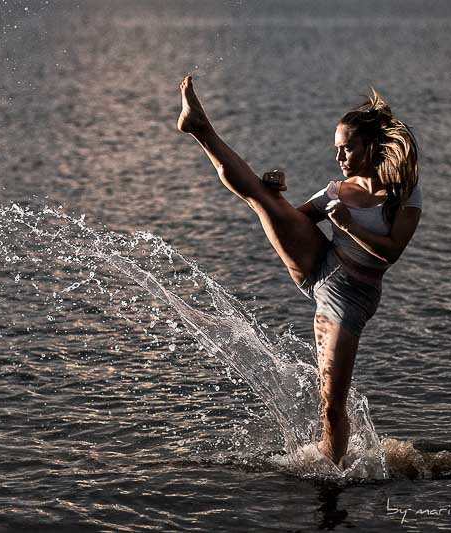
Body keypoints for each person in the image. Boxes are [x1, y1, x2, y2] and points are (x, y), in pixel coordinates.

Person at [176, 75, 422, 468]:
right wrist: (278, 195)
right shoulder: (335, 192)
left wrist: (349, 226)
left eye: (347, 149)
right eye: (336, 150)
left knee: (332, 403)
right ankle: (200, 128)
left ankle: (334, 469)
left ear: (372, 146)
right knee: (259, 198)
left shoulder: (404, 193)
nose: (340, 158)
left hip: (350, 298)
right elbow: (300, 218)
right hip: (318, 267)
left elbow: (391, 252)